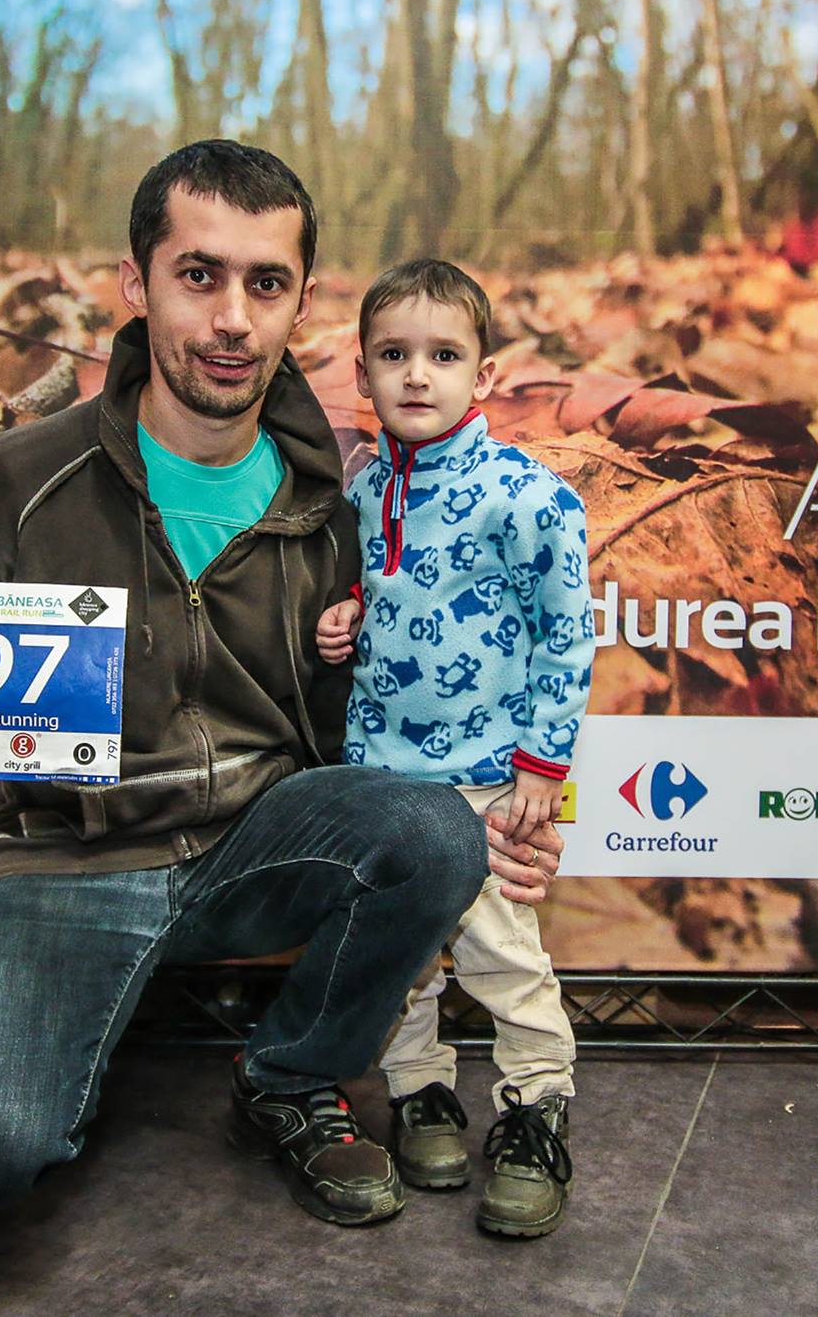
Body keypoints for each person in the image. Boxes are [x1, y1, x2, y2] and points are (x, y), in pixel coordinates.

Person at [0, 141, 566, 1226]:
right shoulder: (22, 479)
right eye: (198, 275)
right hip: (68, 858)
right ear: (136, 283)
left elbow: (400, 709)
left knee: (435, 832)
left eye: (265, 284)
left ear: (300, 302)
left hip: (264, 844)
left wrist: (500, 806)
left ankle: (289, 1075)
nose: (230, 320)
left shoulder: (338, 501)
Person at [314, 258, 593, 1238]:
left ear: (484, 375)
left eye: (441, 354)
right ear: (363, 373)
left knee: (502, 951)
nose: (416, 375)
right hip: (380, 777)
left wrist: (540, 770)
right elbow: (364, 596)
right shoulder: (358, 492)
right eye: (393, 355)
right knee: (401, 959)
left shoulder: (529, 499)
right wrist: (340, 621)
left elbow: (564, 639)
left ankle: (533, 1109)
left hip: (483, 780)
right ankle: (422, 1093)